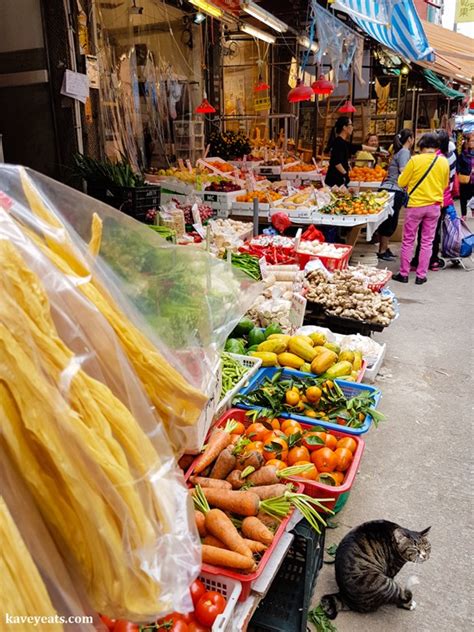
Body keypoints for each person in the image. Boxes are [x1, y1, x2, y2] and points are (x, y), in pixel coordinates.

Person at [393, 133, 449, 285]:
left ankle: (404, 274)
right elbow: (445, 184)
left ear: (421, 146)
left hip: (415, 206)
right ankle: (421, 276)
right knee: (427, 241)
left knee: (408, 240)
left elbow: (401, 182)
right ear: (436, 146)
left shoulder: (415, 160)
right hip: (434, 206)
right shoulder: (443, 161)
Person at [411, 129, 456, 271]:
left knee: (423, 234)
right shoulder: (450, 156)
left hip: (430, 198)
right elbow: (448, 181)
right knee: (433, 233)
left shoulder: (436, 158)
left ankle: (421, 261)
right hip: (442, 199)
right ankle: (432, 261)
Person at [376, 129, 414, 261]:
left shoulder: (401, 152)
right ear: (409, 139)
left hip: (389, 189)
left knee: (388, 220)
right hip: (394, 189)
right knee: (390, 221)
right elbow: (403, 171)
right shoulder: (404, 152)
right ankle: (382, 250)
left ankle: (385, 248)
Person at [324, 117, 378, 187]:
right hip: (334, 181)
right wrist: (345, 174)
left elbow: (359, 147)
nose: (352, 127)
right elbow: (336, 162)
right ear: (344, 127)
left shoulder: (343, 142)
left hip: (339, 180)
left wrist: (376, 150)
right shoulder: (338, 143)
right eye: (351, 125)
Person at [457, 134, 474, 218]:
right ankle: (464, 214)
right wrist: (467, 171)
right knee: (463, 197)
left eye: (473, 141)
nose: (472, 143)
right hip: (465, 178)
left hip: (473, 179)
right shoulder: (462, 154)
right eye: (470, 141)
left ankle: (473, 209)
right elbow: (458, 167)